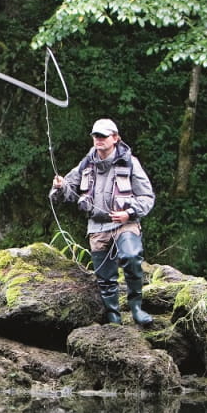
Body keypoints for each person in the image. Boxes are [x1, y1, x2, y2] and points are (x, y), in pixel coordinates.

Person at [50, 118, 157, 325]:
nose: (98, 140)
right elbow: (67, 193)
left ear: (115, 138)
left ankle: (136, 307)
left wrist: (130, 213)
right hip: (97, 227)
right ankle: (114, 318)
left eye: (103, 136)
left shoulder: (130, 162)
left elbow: (147, 197)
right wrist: (59, 186)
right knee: (105, 278)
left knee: (132, 256)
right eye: (95, 136)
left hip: (125, 223)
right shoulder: (86, 163)